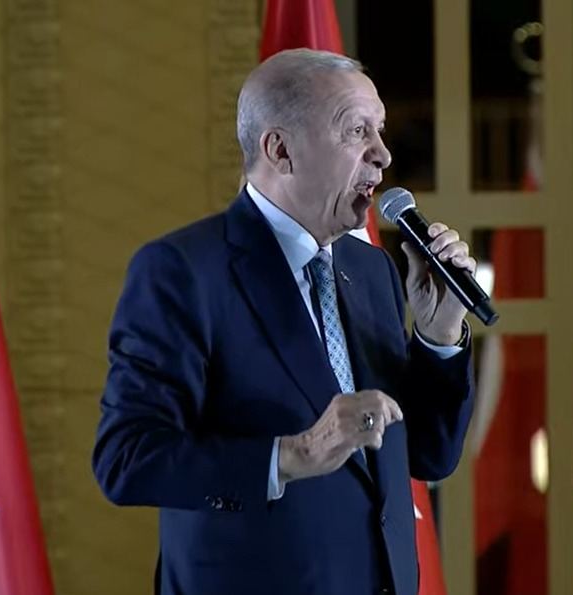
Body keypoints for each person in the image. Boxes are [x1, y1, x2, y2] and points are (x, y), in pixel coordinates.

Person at [92, 48, 476, 595]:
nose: (383, 154)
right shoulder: (183, 271)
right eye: (357, 131)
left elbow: (430, 456)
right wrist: (294, 455)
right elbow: (127, 460)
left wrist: (438, 338)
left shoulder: (372, 270)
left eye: (381, 130)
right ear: (280, 150)